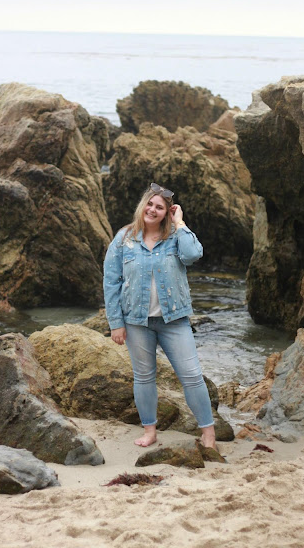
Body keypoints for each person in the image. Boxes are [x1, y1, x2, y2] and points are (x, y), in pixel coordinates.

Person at [103, 182, 218, 450]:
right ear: (142, 205)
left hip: (174, 320)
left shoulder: (176, 236)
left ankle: (209, 434)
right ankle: (150, 431)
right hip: (136, 322)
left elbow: (193, 254)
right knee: (144, 377)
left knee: (192, 375)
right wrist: (116, 323)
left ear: (167, 213)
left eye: (160, 207)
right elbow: (111, 282)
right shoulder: (124, 239)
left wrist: (180, 223)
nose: (153, 210)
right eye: (150, 204)